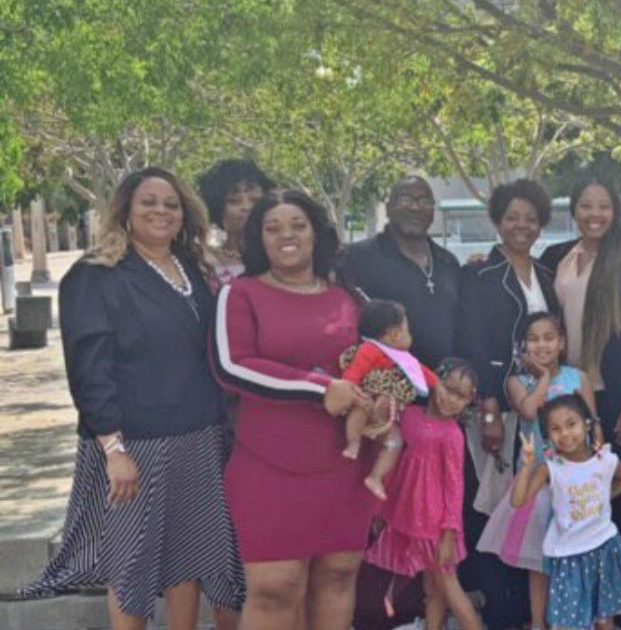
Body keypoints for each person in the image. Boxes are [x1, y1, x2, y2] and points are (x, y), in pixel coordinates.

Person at [23, 167, 244, 629]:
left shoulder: (192, 268)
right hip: (132, 445)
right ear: (125, 209)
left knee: (190, 558)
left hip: (198, 438)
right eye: (149, 202)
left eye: (171, 204)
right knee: (131, 566)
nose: (161, 211)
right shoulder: (96, 274)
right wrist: (113, 448)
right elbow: (89, 368)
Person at [212, 189, 376, 630]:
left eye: (298, 225)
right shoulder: (239, 294)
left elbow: (378, 360)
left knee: (338, 575)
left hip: (344, 463)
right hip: (269, 464)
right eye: (273, 228)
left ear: (316, 233)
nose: (287, 235)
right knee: (275, 586)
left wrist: (382, 400)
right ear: (259, 239)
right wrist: (319, 389)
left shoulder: (350, 296)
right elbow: (232, 366)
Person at [540, 179, 621, 592]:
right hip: (566, 394)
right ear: (574, 210)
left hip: (616, 393)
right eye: (586, 206)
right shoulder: (556, 256)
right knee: (571, 493)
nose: (595, 214)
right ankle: (577, 587)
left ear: (616, 211)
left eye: (604, 206)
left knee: (618, 491)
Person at [476, 312, 598, 630]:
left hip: (574, 480)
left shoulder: (578, 377)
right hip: (537, 481)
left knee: (575, 553)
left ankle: (572, 618)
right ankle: (539, 621)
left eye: (549, 338)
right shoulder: (518, 382)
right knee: (539, 558)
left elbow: (593, 424)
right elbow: (530, 410)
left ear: (562, 343)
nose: (542, 345)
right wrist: (543, 377)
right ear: (523, 347)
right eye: (533, 339)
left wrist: (595, 466)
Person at [511, 395, 621, 630]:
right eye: (555, 429)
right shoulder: (550, 469)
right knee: (571, 622)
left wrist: (602, 498)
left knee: (605, 619)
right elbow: (518, 501)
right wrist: (527, 466)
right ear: (547, 435)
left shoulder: (604, 460)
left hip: (604, 549)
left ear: (586, 424)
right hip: (569, 557)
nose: (565, 434)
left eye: (571, 424)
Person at [364, 359, 485, 630]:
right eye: (448, 389)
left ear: (469, 401)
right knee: (432, 590)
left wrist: (449, 533)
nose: (451, 399)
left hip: (436, 524)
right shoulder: (409, 415)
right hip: (410, 514)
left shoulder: (452, 435)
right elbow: (394, 459)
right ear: (433, 381)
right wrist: (382, 509)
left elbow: (455, 486)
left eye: (461, 396)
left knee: (450, 588)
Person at [458, 178, 560, 467]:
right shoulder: (479, 275)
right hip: (500, 401)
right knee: (501, 488)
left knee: (540, 483)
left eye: (531, 219)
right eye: (512, 217)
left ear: (541, 225)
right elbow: (474, 343)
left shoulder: (546, 273)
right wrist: (489, 410)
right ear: (498, 222)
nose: (522, 225)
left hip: (544, 399)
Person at [340, 175, 459, 367]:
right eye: (406, 200)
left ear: (433, 211)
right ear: (388, 208)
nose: (416, 207)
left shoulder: (448, 262)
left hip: (443, 382)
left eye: (424, 201)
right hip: (385, 380)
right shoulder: (358, 258)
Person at [339, 299, 439, 498]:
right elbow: (353, 375)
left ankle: (375, 477)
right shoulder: (370, 350)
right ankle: (353, 442)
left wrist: (440, 387)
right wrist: (352, 394)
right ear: (394, 334)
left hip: (388, 416)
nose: (410, 335)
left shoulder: (405, 358)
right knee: (360, 410)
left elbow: (424, 374)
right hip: (366, 402)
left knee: (395, 442)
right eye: (407, 330)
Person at [197, 159, 275, 288]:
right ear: (217, 209)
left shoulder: (280, 258)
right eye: (234, 201)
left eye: (255, 200)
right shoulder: (204, 263)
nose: (246, 207)